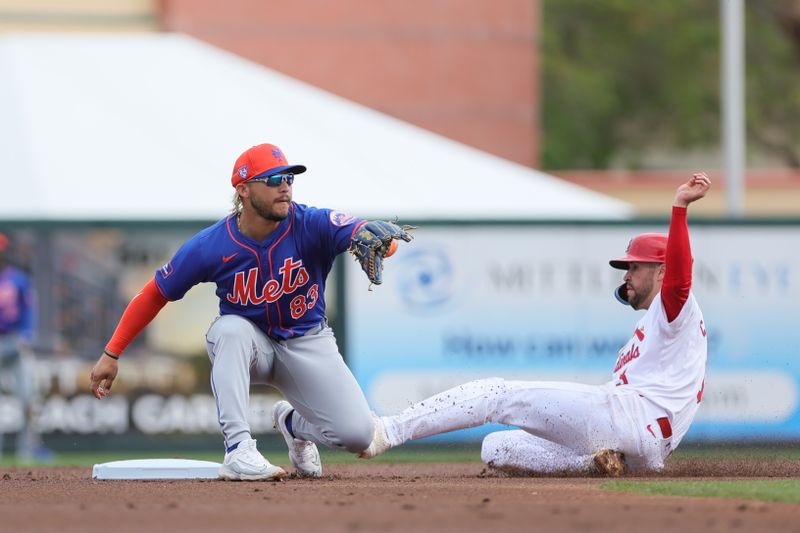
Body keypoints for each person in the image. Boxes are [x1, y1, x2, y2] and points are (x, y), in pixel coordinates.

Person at [89, 143, 412, 480]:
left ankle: (293, 424)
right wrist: (112, 352)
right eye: (273, 179)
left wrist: (374, 239)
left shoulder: (311, 223)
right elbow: (155, 293)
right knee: (230, 329)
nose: (285, 186)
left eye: (289, 177)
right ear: (243, 189)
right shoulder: (212, 244)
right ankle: (239, 450)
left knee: (358, 436)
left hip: (307, 341)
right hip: (251, 346)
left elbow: (367, 236)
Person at [360, 173, 711, 476]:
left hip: (631, 418)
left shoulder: (675, 307)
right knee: (497, 447)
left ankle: (388, 430)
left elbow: (680, 279)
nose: (627, 274)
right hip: (645, 447)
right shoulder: (659, 324)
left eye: (635, 266)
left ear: (662, 271)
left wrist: (679, 208)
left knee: (496, 395)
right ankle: (592, 465)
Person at [0, 232, 49, 463]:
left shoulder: (17, 279)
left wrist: (27, 335)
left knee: (29, 398)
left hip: (13, 341)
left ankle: (27, 452)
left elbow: (28, 311)